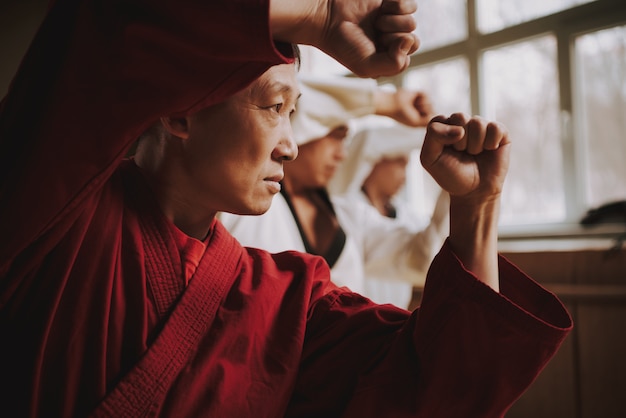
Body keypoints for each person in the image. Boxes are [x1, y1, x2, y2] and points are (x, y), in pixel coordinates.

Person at [0, 1, 572, 417]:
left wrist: (476, 208)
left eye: (294, 112)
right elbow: (108, 27)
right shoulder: (58, 213)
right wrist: (319, 17)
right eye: (274, 107)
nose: (291, 144)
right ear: (181, 112)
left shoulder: (289, 299)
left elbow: (436, 389)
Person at [220, 81, 448, 306]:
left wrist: (456, 192)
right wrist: (386, 102)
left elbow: (421, 257)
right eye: (335, 136)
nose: (342, 154)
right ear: (302, 129)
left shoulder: (348, 215)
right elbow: (295, 94)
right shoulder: (240, 209)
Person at [333, 124, 451, 307]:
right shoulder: (346, 209)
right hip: (358, 326)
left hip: (396, 326)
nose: (404, 175)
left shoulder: (408, 217)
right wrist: (435, 133)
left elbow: (428, 257)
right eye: (400, 164)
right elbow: (367, 141)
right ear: (375, 160)